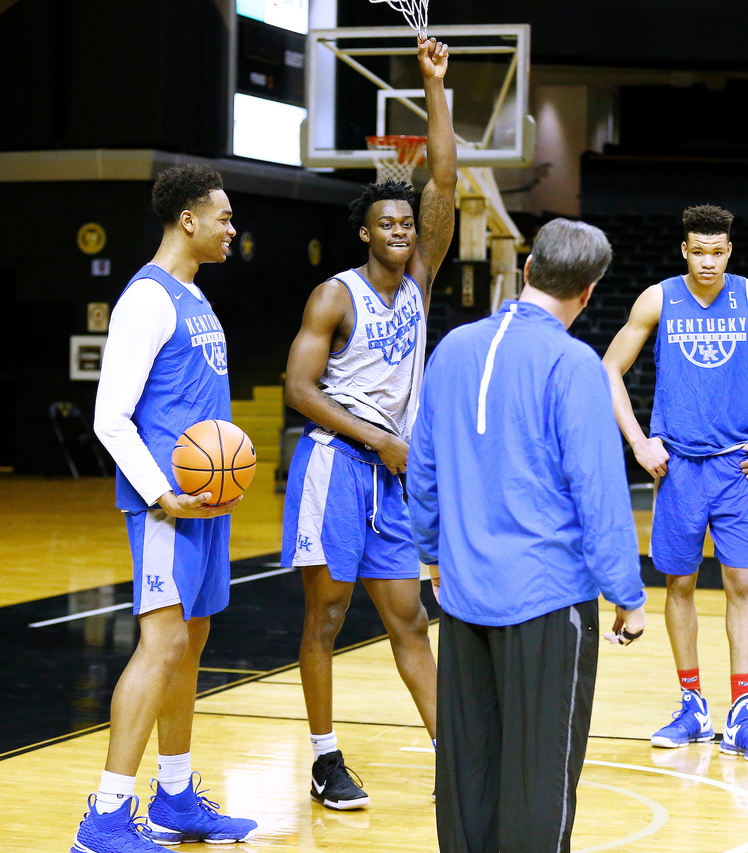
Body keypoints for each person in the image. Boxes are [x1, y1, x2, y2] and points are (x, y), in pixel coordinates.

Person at [407, 218, 648, 853]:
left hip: (462, 598)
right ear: (589, 292)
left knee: (469, 769)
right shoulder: (575, 365)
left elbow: (422, 470)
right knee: (540, 775)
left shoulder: (452, 347)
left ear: (527, 271)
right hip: (548, 599)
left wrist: (433, 554)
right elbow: (598, 492)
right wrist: (627, 593)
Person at [280, 37, 455, 810]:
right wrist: (377, 437)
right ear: (365, 232)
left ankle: (456, 752)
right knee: (327, 612)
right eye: (387, 223)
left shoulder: (419, 280)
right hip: (337, 464)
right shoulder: (335, 295)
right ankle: (324, 758)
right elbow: (297, 386)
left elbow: (444, 177)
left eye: (407, 223)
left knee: (409, 619)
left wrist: (432, 85)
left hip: (393, 474)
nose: (401, 231)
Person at [79, 164, 256, 852]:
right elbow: (109, 416)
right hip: (165, 506)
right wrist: (160, 491)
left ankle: (176, 797)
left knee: (191, 645)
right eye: (224, 217)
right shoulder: (147, 299)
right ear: (189, 220)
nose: (231, 229)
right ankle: (105, 817)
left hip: (207, 504)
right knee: (162, 645)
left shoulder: (193, 293)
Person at [602, 204, 748, 763]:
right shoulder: (657, 299)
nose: (708, 261)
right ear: (684, 250)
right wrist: (638, 441)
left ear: (730, 250)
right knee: (679, 585)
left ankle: (743, 712)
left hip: (736, 465)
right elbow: (608, 368)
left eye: (717, 250)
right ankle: (692, 706)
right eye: (698, 250)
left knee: (742, 582)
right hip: (677, 465)